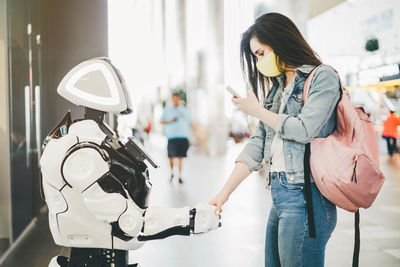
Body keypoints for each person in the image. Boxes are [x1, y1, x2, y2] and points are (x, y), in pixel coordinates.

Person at [209, 12, 340, 267]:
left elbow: (303, 129)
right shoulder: (278, 88)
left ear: (280, 41)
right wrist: (223, 194)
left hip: (306, 198)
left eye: (261, 54)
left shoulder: (323, 77)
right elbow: (258, 144)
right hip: (280, 195)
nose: (259, 63)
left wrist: (257, 110)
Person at [160, 92, 192, 183]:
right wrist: (170, 121)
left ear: (179, 99)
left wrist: (197, 132)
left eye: (176, 99)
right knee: (171, 157)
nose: (175, 101)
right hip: (172, 138)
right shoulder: (167, 110)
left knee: (180, 157)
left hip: (183, 137)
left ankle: (180, 175)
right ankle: (172, 173)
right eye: (173, 99)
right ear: (172, 99)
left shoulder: (184, 110)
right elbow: (161, 122)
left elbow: (191, 122)